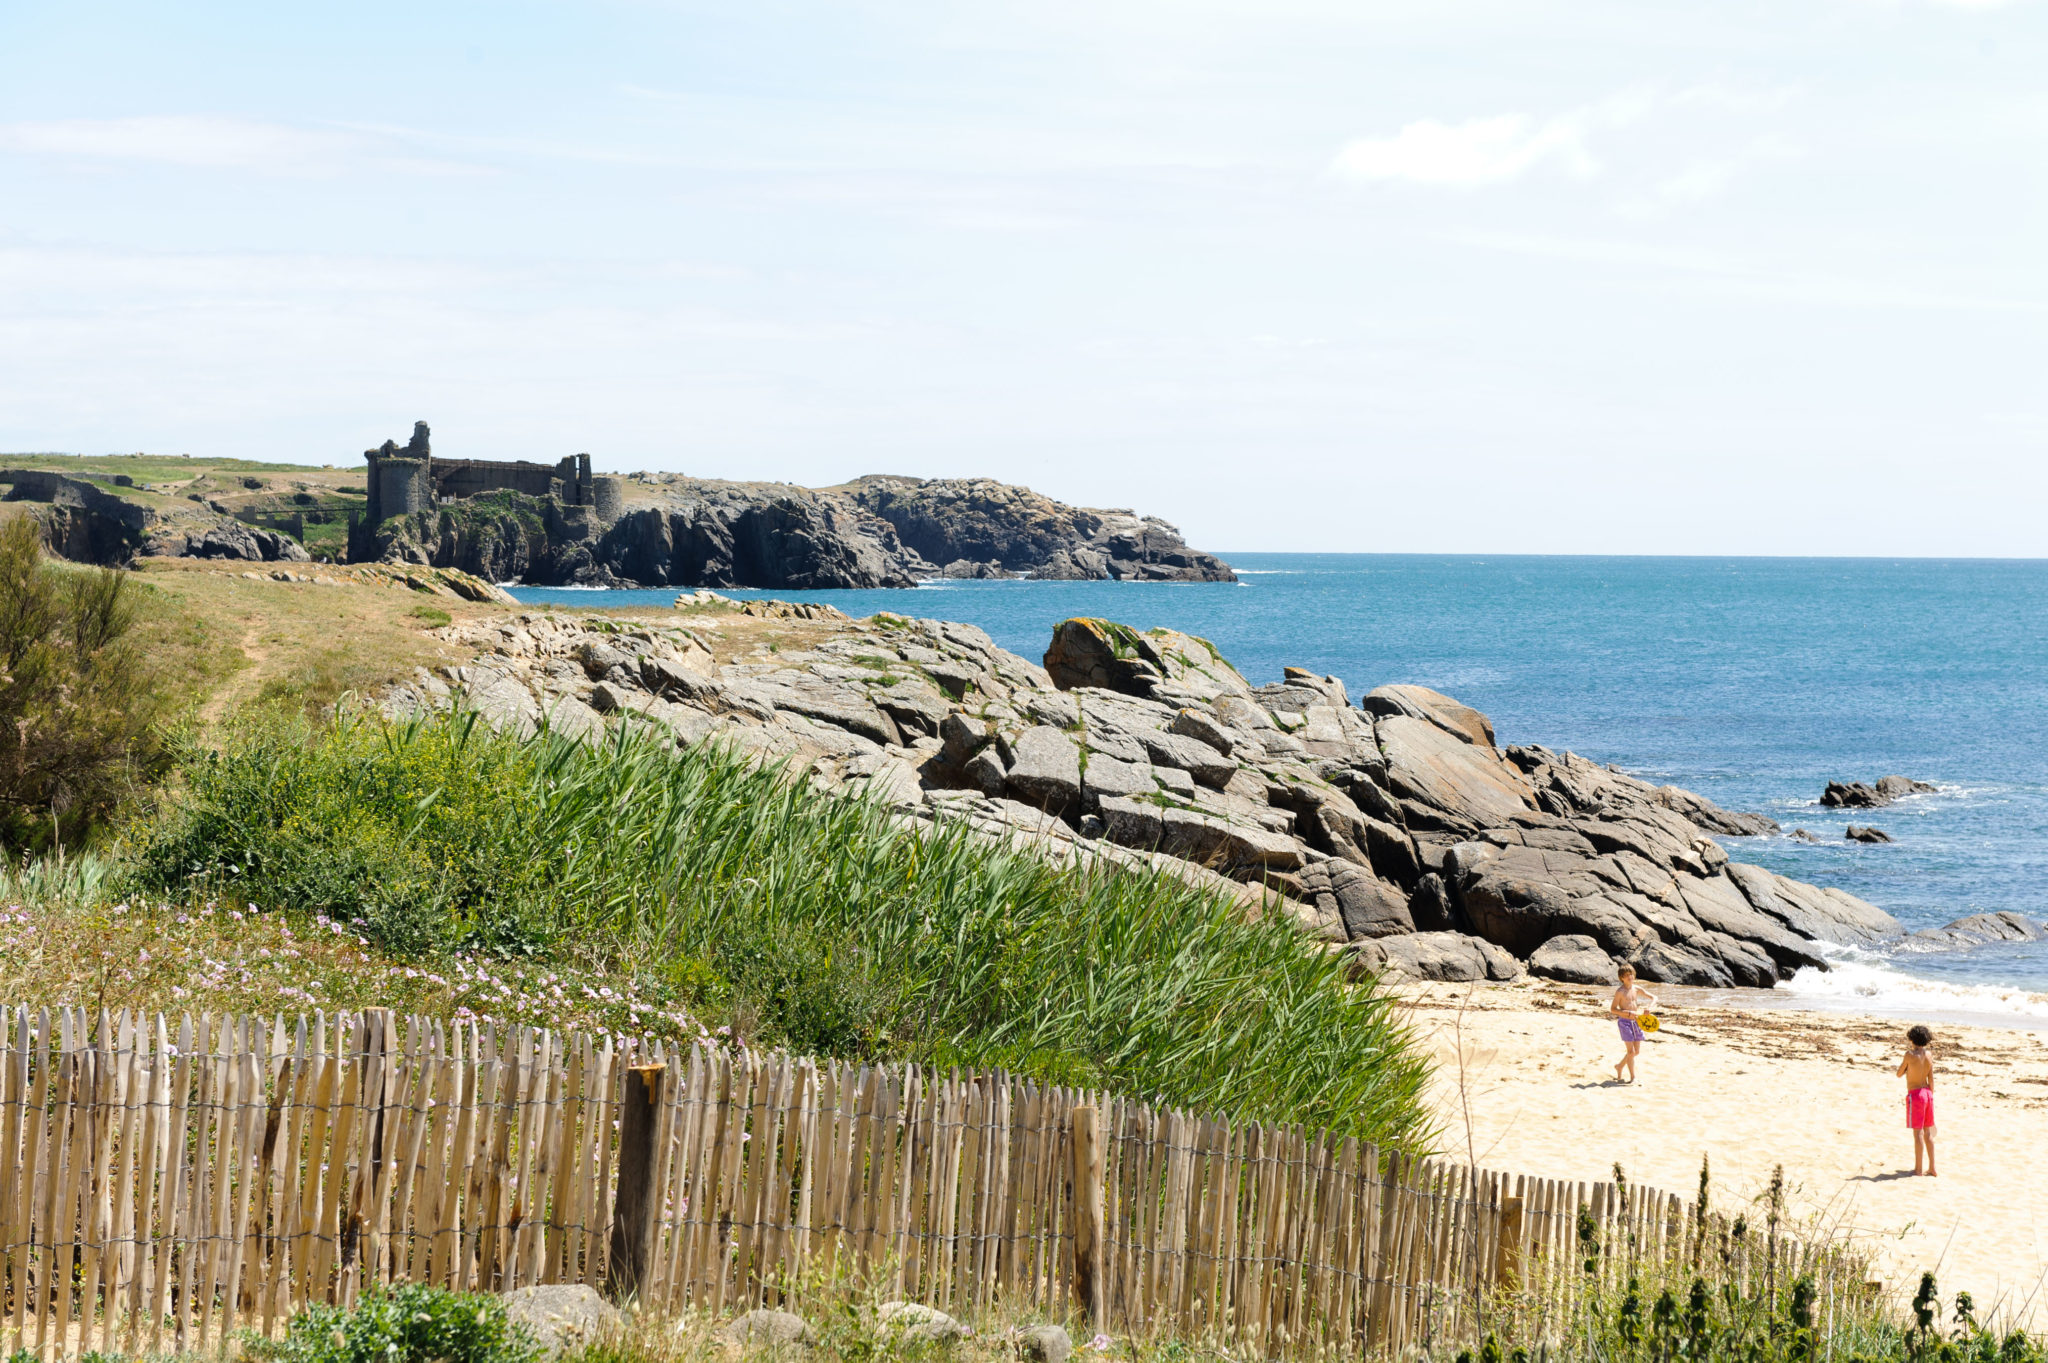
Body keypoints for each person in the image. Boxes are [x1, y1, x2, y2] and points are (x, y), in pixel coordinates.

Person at [1895, 1025, 1937, 1176]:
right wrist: (1931, 1096)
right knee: (1928, 1133)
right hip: (1928, 1094)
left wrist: (1907, 1069)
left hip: (1916, 1095)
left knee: (1917, 1134)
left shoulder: (1909, 1054)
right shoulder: (1929, 1055)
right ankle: (1932, 1167)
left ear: (1911, 1039)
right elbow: (1931, 1079)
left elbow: (1899, 1073)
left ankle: (1918, 1169)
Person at [1608, 964, 1658, 1083]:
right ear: (1622, 978)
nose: (1629, 977)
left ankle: (1619, 1066)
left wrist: (1649, 1008)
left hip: (1637, 1022)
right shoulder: (1620, 991)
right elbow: (1613, 1009)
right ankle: (1632, 1077)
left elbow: (1655, 998)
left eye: (1631, 974)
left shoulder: (1636, 989)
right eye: (1626, 975)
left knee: (1636, 1052)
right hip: (1624, 1022)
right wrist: (1627, 1012)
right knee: (1631, 1052)